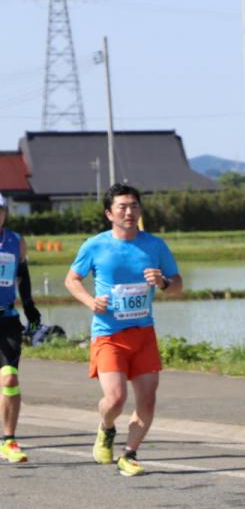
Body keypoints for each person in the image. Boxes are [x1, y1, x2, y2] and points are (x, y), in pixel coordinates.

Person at [64, 184, 183, 476]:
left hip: (143, 332)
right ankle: (106, 427)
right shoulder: (94, 245)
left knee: (148, 398)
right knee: (116, 399)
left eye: (134, 206)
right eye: (122, 207)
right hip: (108, 334)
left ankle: (129, 454)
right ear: (109, 213)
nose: (129, 212)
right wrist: (91, 302)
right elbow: (71, 280)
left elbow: (178, 285)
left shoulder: (155, 245)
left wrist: (163, 282)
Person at [0, 195, 41, 463]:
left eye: (0, 210)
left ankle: (9, 440)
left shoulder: (16, 241)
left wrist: (30, 308)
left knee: (10, 379)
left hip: (7, 320)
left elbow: (22, 277)